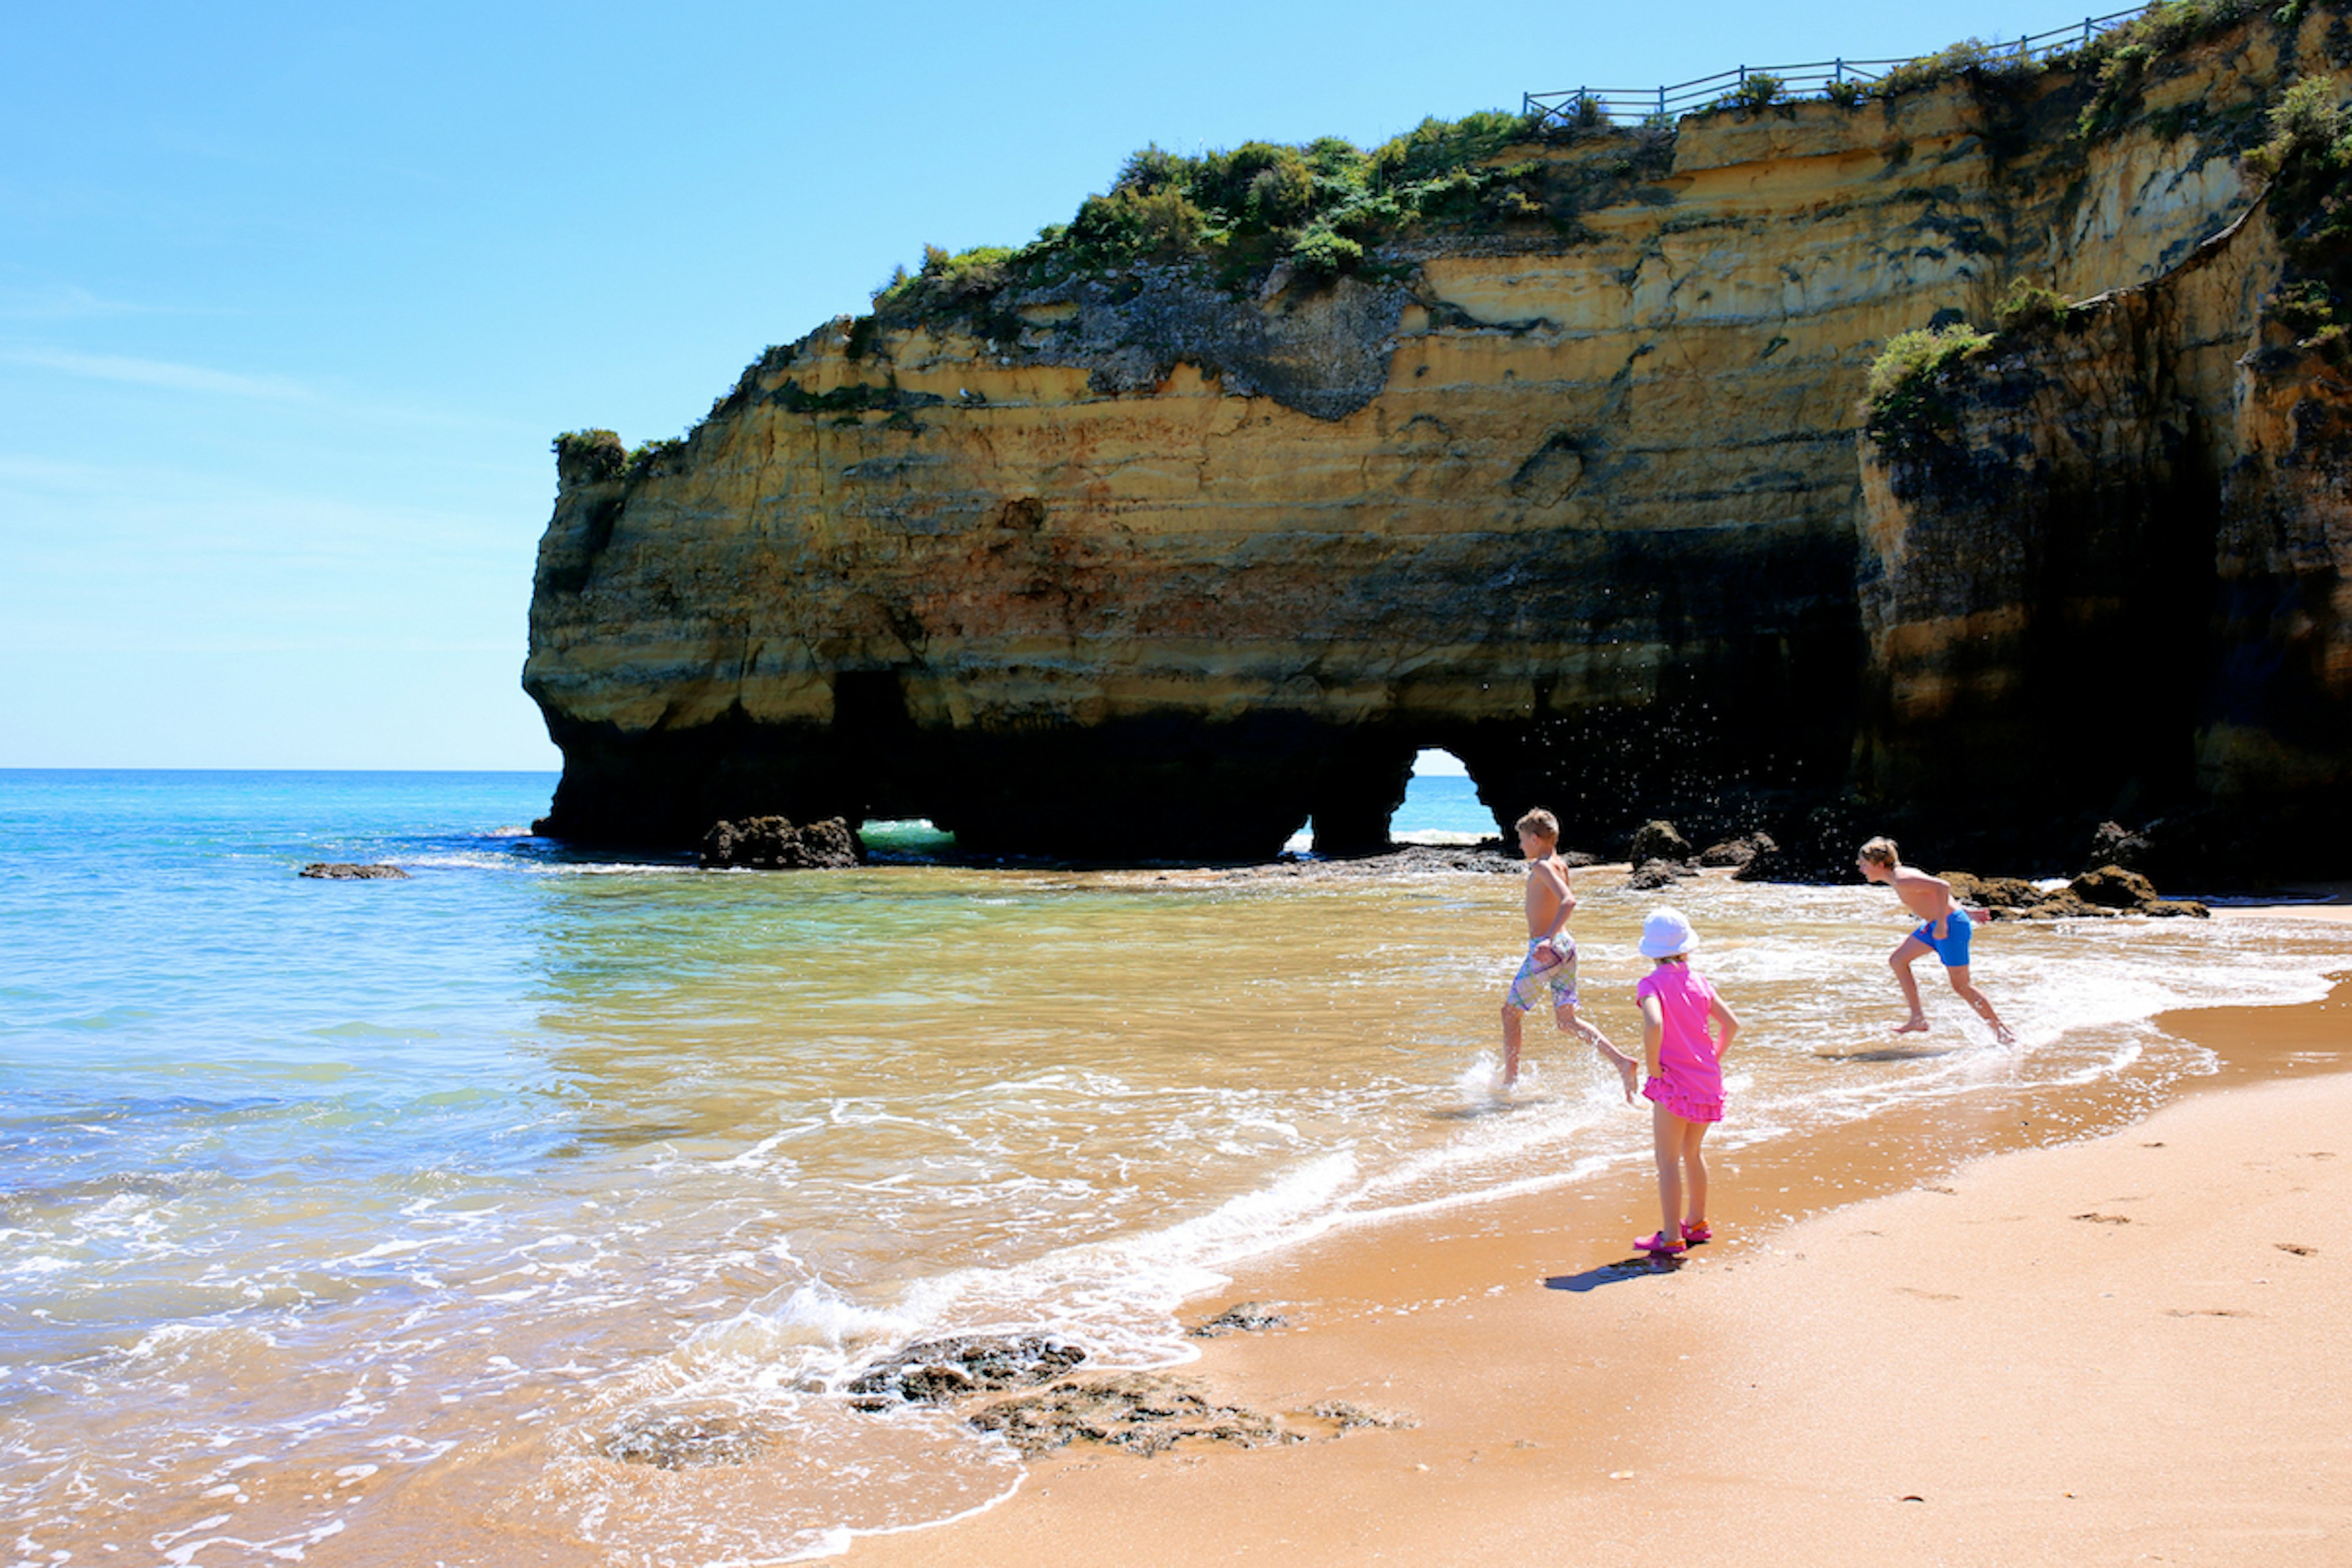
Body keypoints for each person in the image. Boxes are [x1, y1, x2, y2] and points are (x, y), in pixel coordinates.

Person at [1499, 809, 1640, 1095]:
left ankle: (1510, 1082)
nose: (1521, 845)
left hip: (1549, 948)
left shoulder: (1541, 866)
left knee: (1510, 1013)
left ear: (1536, 839)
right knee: (1567, 1021)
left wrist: (1547, 939)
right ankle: (1622, 1062)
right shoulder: (1560, 864)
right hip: (1567, 946)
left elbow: (1568, 901)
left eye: (1523, 839)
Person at [1630, 907, 1739, 1256]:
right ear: (1685, 946)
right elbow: (1732, 1025)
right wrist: (1713, 1060)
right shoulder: (1699, 981)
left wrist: (1654, 1068)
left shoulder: (1650, 985)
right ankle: (1696, 1223)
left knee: (1667, 1162)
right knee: (1692, 1153)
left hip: (1674, 1083)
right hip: (1706, 1080)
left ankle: (1670, 1236)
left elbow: (1654, 1025)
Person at [1855, 837, 2016, 1044]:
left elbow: (1943, 886)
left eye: (1863, 864)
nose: (1861, 868)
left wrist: (1943, 923)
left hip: (1949, 927)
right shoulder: (1899, 877)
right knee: (1898, 960)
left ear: (1879, 864)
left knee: (1962, 986)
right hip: (1938, 925)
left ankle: (2002, 1033)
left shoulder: (1903, 878)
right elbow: (1935, 893)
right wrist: (1966, 912)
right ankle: (1917, 1018)